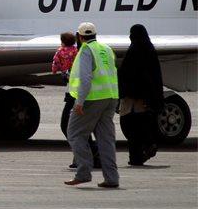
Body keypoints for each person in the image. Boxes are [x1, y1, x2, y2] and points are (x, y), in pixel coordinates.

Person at [65, 22, 120, 188]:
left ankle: (83, 172)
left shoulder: (86, 50)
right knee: (106, 139)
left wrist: (79, 102)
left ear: (79, 37)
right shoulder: (107, 49)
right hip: (111, 97)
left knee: (74, 133)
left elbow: (86, 78)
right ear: (95, 34)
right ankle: (112, 178)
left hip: (92, 99)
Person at [118, 24, 164, 166]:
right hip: (145, 95)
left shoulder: (134, 50)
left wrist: (121, 91)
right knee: (140, 123)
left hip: (132, 95)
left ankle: (137, 155)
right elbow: (155, 74)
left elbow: (126, 72)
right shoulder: (150, 49)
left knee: (129, 125)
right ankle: (141, 152)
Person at [55, 31, 101, 169]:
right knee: (76, 128)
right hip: (75, 94)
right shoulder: (79, 53)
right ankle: (87, 155)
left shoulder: (83, 54)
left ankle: (91, 154)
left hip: (77, 96)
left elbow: (84, 77)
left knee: (68, 126)